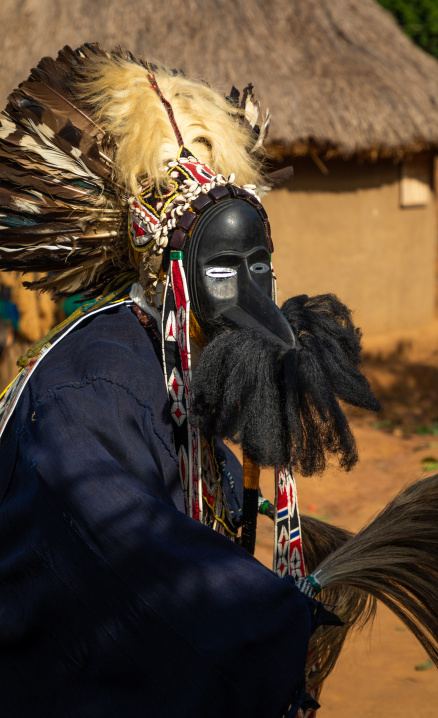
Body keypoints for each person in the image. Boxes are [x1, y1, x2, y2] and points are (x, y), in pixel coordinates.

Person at [0, 44, 379, 717]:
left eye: (261, 271)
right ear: (169, 274)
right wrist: (275, 632)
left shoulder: (173, 367)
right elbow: (127, 555)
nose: (255, 301)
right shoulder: (92, 391)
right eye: (227, 273)